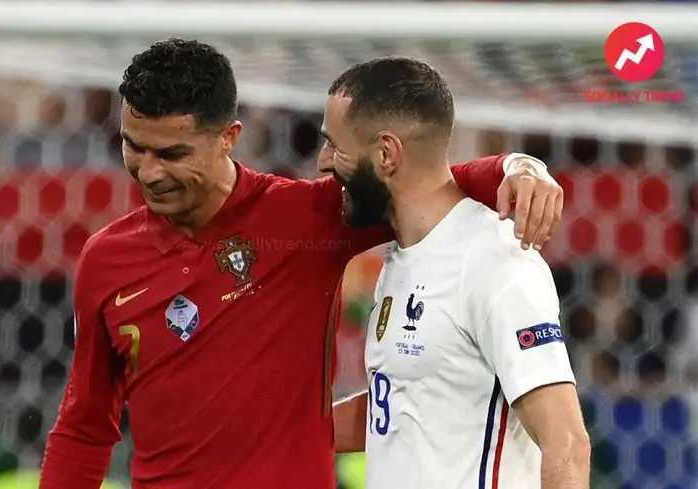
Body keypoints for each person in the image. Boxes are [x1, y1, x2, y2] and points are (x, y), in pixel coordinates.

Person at [39, 39, 564, 489]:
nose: (148, 173)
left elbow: (424, 179)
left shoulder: (309, 220)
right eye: (134, 148)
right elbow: (85, 426)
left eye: (172, 154)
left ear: (229, 137)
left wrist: (518, 167)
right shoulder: (107, 260)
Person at [325, 58, 589, 489]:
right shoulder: (402, 259)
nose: (323, 163)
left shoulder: (495, 261)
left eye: (334, 147)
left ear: (386, 154)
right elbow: (404, 407)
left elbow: (567, 444)